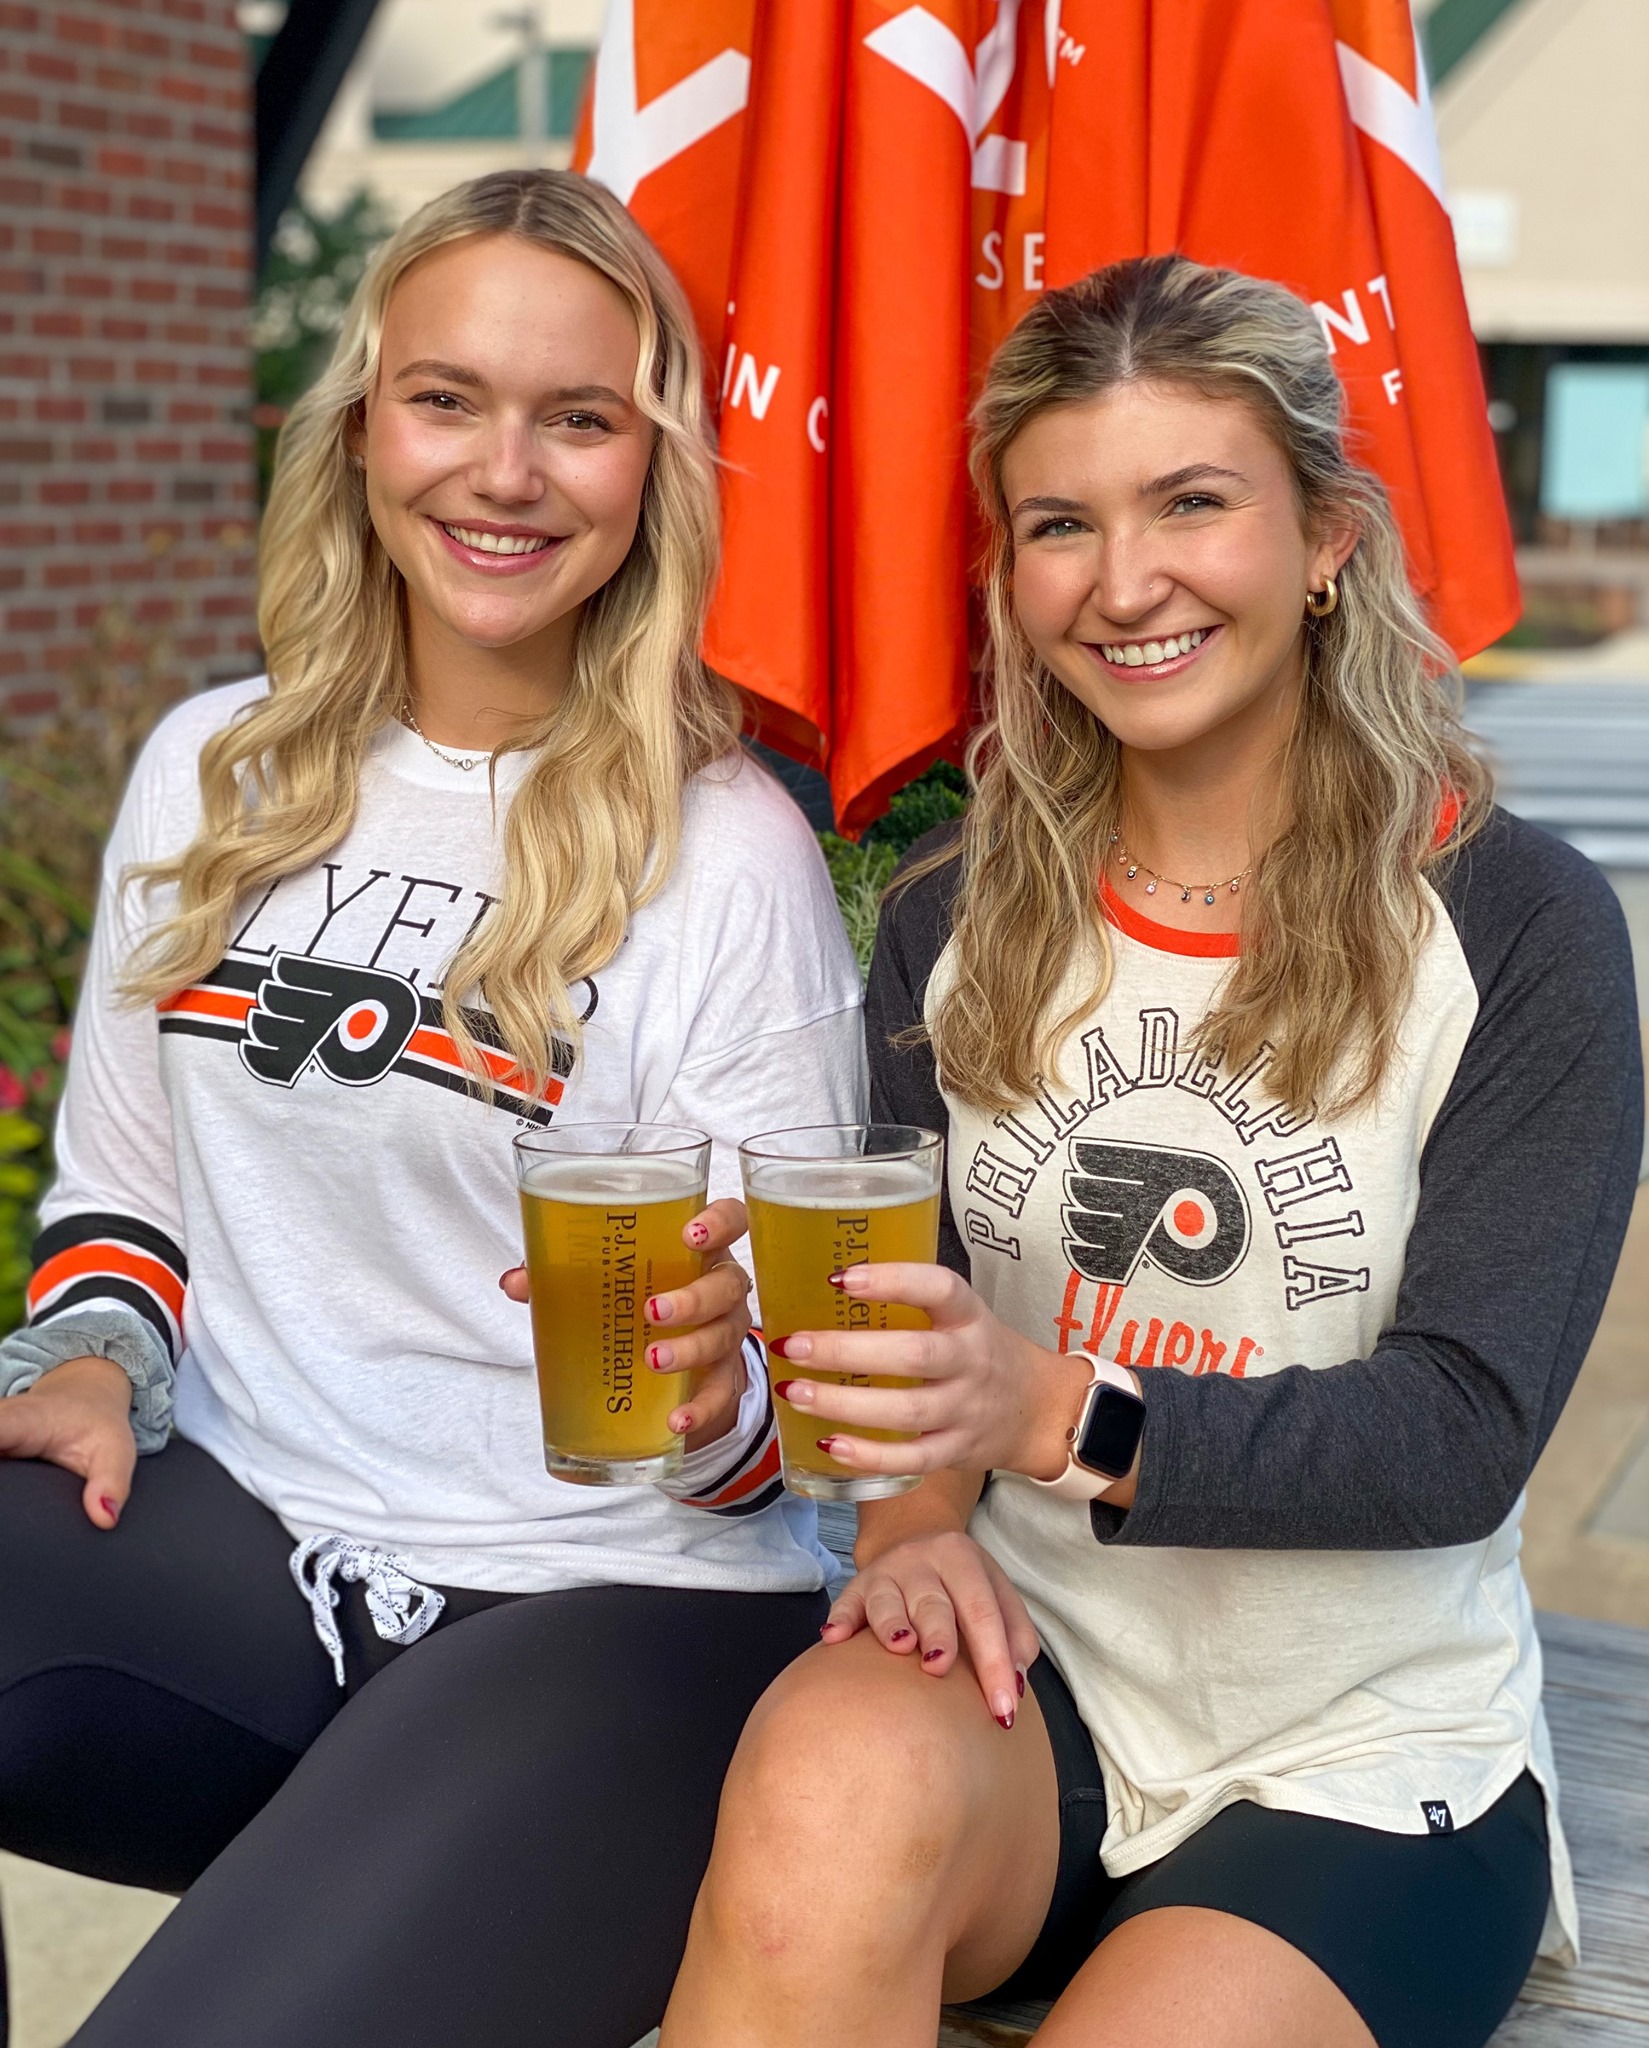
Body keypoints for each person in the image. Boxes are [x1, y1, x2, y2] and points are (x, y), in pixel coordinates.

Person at [660, 255, 1643, 2048]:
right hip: (1027, 1678)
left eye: (1190, 502)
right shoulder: (952, 909)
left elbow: (1458, 1435)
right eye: (1060, 524)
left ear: (1326, 536)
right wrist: (899, 1512)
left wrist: (1051, 1411)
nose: (1122, 585)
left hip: (1358, 1759)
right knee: (814, 1791)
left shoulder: (1516, 926)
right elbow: (911, 1300)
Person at [0, 170, 863, 2048]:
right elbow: (124, 1197)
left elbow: (809, 1421)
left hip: (619, 1609)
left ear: (653, 470)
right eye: (448, 399)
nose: (505, 473)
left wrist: (719, 1397)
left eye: (579, 419)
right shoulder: (212, 771)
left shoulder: (727, 854)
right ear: (363, 426)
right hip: (265, 1555)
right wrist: (83, 1362)